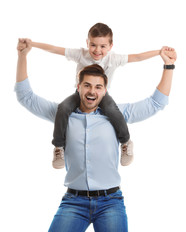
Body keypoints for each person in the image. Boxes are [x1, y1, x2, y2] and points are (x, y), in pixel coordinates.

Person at [15, 39, 176, 232]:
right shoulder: (62, 114)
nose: (92, 91)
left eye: (98, 87)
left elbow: (155, 103)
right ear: (78, 87)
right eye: (87, 85)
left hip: (111, 203)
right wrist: (22, 56)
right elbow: (26, 96)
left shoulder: (118, 115)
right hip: (73, 202)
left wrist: (169, 66)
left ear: (105, 91)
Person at [18, 23, 163, 169]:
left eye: (103, 46)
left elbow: (137, 57)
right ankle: (59, 147)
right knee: (63, 108)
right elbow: (56, 49)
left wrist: (159, 52)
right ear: (87, 43)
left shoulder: (114, 59)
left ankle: (125, 142)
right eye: (93, 45)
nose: (97, 50)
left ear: (110, 46)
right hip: (80, 94)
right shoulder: (81, 54)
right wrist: (32, 44)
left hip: (103, 95)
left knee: (112, 110)